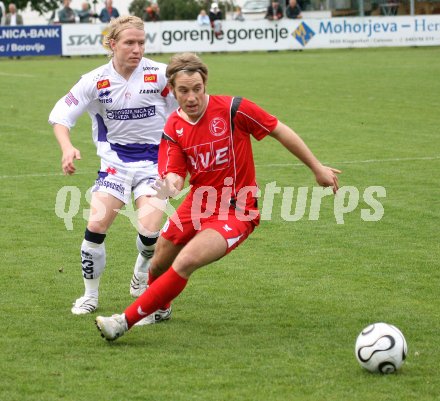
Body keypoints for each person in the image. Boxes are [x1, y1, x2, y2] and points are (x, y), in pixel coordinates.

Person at [95, 52, 341, 341]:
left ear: (205, 84)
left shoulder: (234, 109)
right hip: (198, 204)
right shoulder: (173, 126)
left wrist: (317, 167)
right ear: (172, 91)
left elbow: (279, 130)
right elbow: (174, 173)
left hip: (237, 210)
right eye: (183, 91)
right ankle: (160, 307)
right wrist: (171, 183)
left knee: (186, 260)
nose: (191, 97)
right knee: (159, 261)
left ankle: (125, 321)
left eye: (197, 89)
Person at [48, 16, 177, 316]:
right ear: (112, 44)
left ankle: (141, 271)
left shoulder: (160, 75)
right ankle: (89, 295)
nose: (136, 49)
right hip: (115, 164)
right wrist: (67, 148)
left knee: (149, 233)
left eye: (141, 43)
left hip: (154, 165)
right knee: (95, 225)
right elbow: (60, 115)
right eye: (129, 43)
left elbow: (184, 114)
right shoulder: (94, 80)